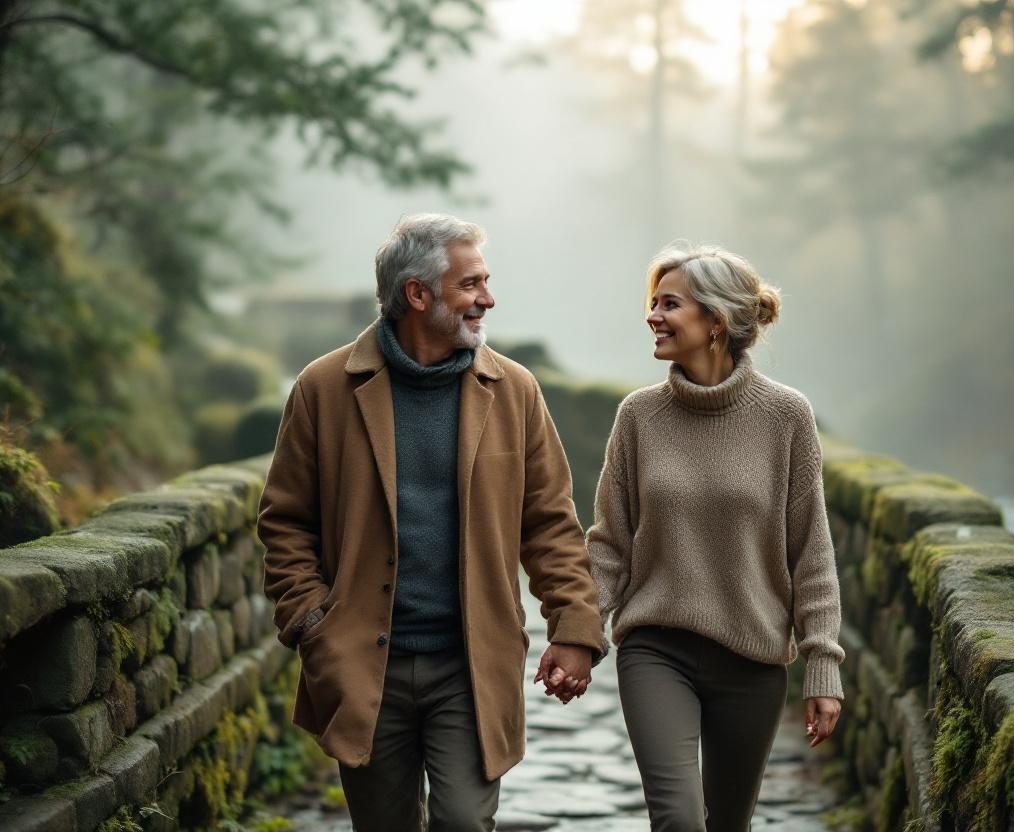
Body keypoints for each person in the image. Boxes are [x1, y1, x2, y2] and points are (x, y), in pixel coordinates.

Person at [258, 213, 604, 831]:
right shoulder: (323, 388)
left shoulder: (516, 391)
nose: (487, 299)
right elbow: (284, 523)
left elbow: (550, 523)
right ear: (417, 295)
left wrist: (574, 625)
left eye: (485, 282)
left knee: (466, 823)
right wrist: (314, 624)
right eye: (470, 284)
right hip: (364, 663)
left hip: (471, 666)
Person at [586, 244, 846, 831]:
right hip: (656, 648)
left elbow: (813, 554)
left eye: (669, 303)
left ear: (716, 322)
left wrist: (822, 666)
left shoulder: (786, 417)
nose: (653, 314)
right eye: (652, 302)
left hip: (752, 660)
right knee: (678, 819)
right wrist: (580, 634)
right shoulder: (638, 416)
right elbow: (609, 544)